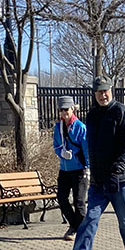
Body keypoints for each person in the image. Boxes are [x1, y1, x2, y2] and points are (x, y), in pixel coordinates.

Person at [61, 77, 125, 250]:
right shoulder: (92, 115)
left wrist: (117, 171)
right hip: (98, 181)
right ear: (94, 94)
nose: (103, 95)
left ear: (111, 90)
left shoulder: (121, 112)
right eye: (99, 92)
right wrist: (91, 170)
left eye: (106, 91)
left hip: (119, 180)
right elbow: (92, 148)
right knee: (90, 218)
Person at [52, 96, 88, 241]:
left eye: (66, 109)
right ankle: (75, 225)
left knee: (79, 201)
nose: (64, 112)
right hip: (65, 169)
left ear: (72, 109)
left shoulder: (81, 127)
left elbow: (86, 149)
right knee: (61, 197)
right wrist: (61, 153)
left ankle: (78, 229)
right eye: (61, 110)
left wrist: (89, 168)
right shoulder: (58, 127)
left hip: (79, 169)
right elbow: (56, 145)